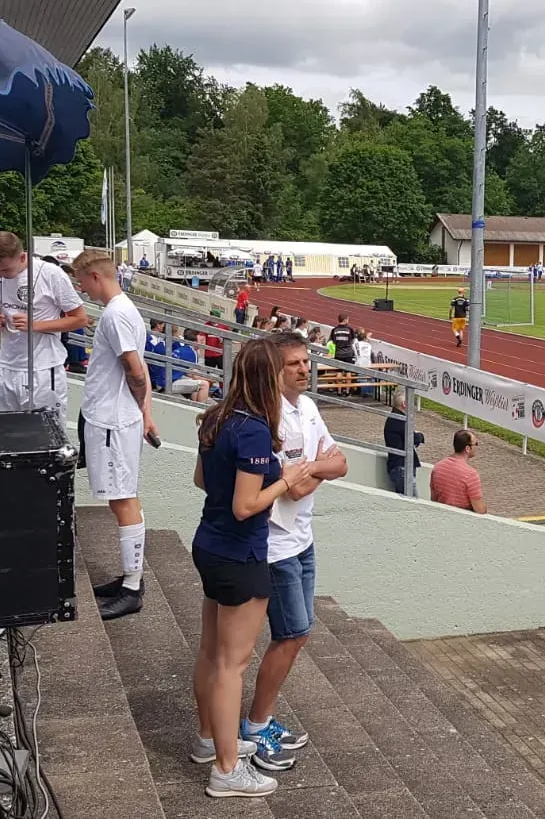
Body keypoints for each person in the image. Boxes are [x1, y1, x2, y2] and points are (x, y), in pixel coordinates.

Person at [190, 338, 315, 798]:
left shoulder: (215, 417)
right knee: (232, 664)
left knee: (211, 653)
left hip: (210, 543)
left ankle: (210, 740)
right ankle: (227, 769)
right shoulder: (255, 430)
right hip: (240, 554)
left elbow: (201, 480)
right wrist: (287, 479)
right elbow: (246, 506)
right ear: (269, 376)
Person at [238, 333, 348, 771]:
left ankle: (259, 721)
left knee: (298, 634)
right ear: (274, 370)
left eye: (306, 361)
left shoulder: (308, 407)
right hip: (276, 545)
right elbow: (293, 488)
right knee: (292, 634)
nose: (304, 369)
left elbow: (340, 463)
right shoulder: (269, 418)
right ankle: (254, 725)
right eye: (294, 364)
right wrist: (318, 467)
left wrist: (312, 467)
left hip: (303, 539)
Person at [74, 249, 158, 621]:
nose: (82, 289)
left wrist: (141, 409)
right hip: (112, 417)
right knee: (120, 497)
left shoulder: (115, 314)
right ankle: (129, 578)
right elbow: (140, 369)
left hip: (113, 421)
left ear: (96, 276)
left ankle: (132, 587)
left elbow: (135, 370)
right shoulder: (123, 311)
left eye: (82, 281)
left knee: (123, 499)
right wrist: (147, 412)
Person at [0, 232, 87, 414]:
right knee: (8, 426)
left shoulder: (51, 274)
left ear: (22, 257)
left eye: (5, 270)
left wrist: (35, 325)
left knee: (46, 428)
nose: (0, 275)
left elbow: (80, 318)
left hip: (43, 368)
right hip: (7, 364)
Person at [431, 429, 486, 513]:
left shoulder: (438, 466)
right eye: (476, 444)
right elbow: (480, 510)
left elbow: (433, 497)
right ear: (467, 448)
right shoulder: (471, 475)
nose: (477, 447)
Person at [383, 391, 424, 496]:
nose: (413, 406)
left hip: (400, 467)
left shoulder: (395, 418)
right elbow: (414, 438)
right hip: (402, 468)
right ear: (404, 404)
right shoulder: (399, 420)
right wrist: (420, 436)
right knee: (413, 501)